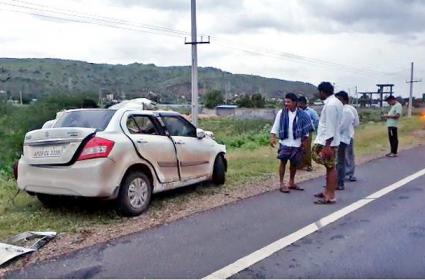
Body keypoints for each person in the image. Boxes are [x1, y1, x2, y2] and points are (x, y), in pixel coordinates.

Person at [270, 93, 314, 193]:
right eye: (285, 102)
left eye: (288, 102)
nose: (286, 104)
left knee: (294, 164)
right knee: (283, 162)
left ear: (295, 103)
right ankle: (281, 183)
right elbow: (276, 125)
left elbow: (306, 130)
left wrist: (305, 142)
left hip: (297, 143)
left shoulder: (303, 114)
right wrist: (273, 136)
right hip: (285, 142)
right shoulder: (281, 113)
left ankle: (291, 182)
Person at [312, 82, 343, 204]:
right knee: (328, 166)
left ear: (322, 92)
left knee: (330, 167)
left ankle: (330, 195)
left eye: (319, 92)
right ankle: (327, 191)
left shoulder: (330, 105)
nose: (319, 94)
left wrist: (327, 146)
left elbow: (330, 125)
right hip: (330, 139)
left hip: (327, 141)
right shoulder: (336, 103)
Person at [335, 91, 355, 190]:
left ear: (344, 100)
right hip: (338, 138)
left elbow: (341, 127)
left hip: (342, 139)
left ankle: (340, 182)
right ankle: (337, 181)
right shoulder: (339, 110)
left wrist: (333, 131)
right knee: (338, 161)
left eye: (338, 99)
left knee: (340, 161)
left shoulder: (347, 111)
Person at [297, 96, 319, 171]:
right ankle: (300, 165)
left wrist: (311, 127)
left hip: (308, 131)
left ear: (304, 103)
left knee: (307, 148)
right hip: (299, 131)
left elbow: (316, 120)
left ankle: (308, 165)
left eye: (300, 103)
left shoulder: (310, 111)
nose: (299, 105)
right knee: (299, 148)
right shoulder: (297, 111)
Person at [345, 98, 360, 182]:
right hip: (347, 135)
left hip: (347, 136)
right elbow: (356, 123)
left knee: (346, 155)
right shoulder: (350, 109)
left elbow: (356, 122)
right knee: (347, 155)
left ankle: (349, 173)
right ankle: (348, 173)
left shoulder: (350, 109)